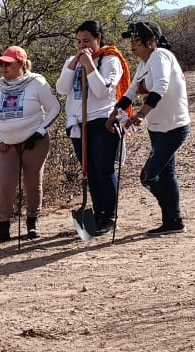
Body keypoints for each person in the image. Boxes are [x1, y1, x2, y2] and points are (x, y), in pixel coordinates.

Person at [108, 21, 190, 235]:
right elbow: (132, 91)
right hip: (157, 128)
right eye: (132, 41)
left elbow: (161, 85)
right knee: (166, 175)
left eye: (138, 40)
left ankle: (173, 216)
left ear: (152, 41)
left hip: (173, 127)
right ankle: (172, 221)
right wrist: (114, 113)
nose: (133, 45)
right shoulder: (144, 64)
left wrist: (140, 114)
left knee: (148, 176)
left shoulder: (160, 56)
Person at [0, 46, 61, 245]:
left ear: (22, 64)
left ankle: (32, 222)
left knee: (32, 182)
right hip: (6, 144)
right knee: (5, 185)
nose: (3, 67)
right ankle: (3, 226)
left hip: (34, 142)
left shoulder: (36, 82)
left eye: (8, 63)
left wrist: (40, 131)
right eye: (1, 64)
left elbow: (54, 108)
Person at [55, 20, 132, 236]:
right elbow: (61, 88)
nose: (82, 46)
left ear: (98, 39)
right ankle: (97, 213)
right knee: (89, 170)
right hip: (78, 123)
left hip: (102, 120)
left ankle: (109, 216)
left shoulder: (110, 60)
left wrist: (89, 64)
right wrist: (73, 65)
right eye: (79, 42)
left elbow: (101, 91)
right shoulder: (72, 60)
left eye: (87, 41)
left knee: (103, 168)